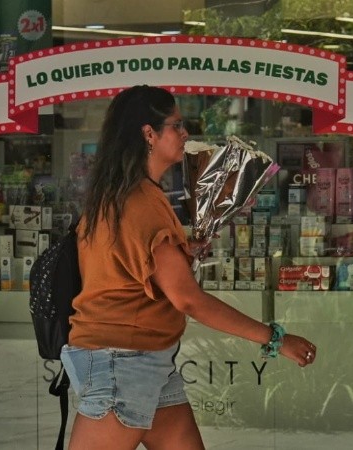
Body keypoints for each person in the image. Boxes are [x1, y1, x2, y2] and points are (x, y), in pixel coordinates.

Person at [61, 85, 317, 450]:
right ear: (148, 134)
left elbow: (133, 272)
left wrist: (180, 253)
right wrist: (275, 339)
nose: (185, 135)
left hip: (143, 359)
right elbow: (188, 300)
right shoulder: (141, 203)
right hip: (123, 362)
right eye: (177, 126)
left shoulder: (126, 196)